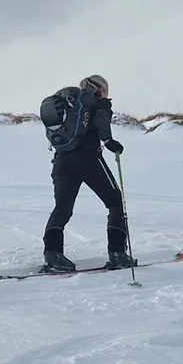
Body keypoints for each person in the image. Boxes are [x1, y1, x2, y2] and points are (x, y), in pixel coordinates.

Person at [39, 74, 133, 272]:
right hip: (87, 158)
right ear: (100, 90)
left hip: (61, 160)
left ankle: (53, 254)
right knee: (115, 201)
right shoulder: (97, 101)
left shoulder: (69, 103)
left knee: (62, 207)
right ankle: (117, 253)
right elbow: (102, 118)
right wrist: (108, 141)